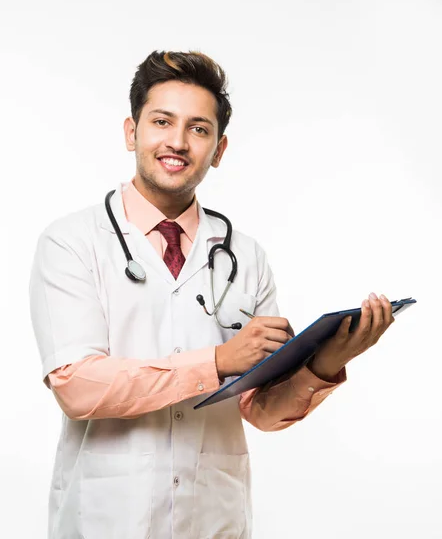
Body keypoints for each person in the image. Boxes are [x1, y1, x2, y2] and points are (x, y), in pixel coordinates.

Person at [29, 50, 395, 539]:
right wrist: (219, 360)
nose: (177, 142)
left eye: (199, 129)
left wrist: (324, 365)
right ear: (131, 131)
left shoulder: (246, 256)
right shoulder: (72, 241)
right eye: (162, 121)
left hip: (214, 520)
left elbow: (261, 410)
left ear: (219, 150)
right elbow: (76, 386)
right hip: (107, 518)